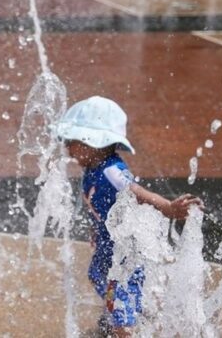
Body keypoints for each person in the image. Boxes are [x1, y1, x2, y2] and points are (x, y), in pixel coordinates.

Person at [56, 96, 203, 337]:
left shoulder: (111, 171)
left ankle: (125, 328)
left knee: (120, 300)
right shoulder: (94, 166)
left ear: (93, 143)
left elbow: (136, 192)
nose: (66, 147)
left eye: (71, 141)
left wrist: (168, 207)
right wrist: (97, 229)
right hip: (108, 243)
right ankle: (133, 312)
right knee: (99, 276)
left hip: (124, 249)